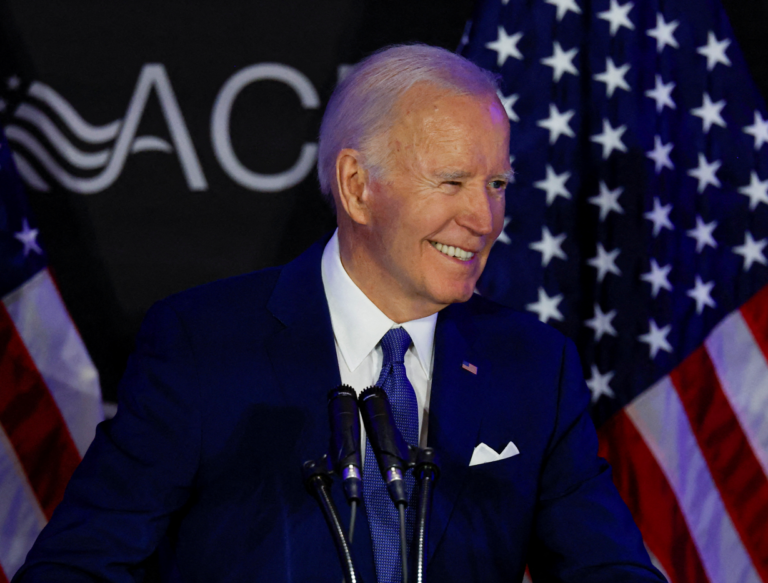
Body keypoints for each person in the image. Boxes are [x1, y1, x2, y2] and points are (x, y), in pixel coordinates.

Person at [14, 45, 666, 583]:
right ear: (357, 186)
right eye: (453, 182)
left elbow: (607, 569)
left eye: (497, 185)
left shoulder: (532, 365)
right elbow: (77, 567)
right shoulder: (203, 345)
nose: (484, 219)